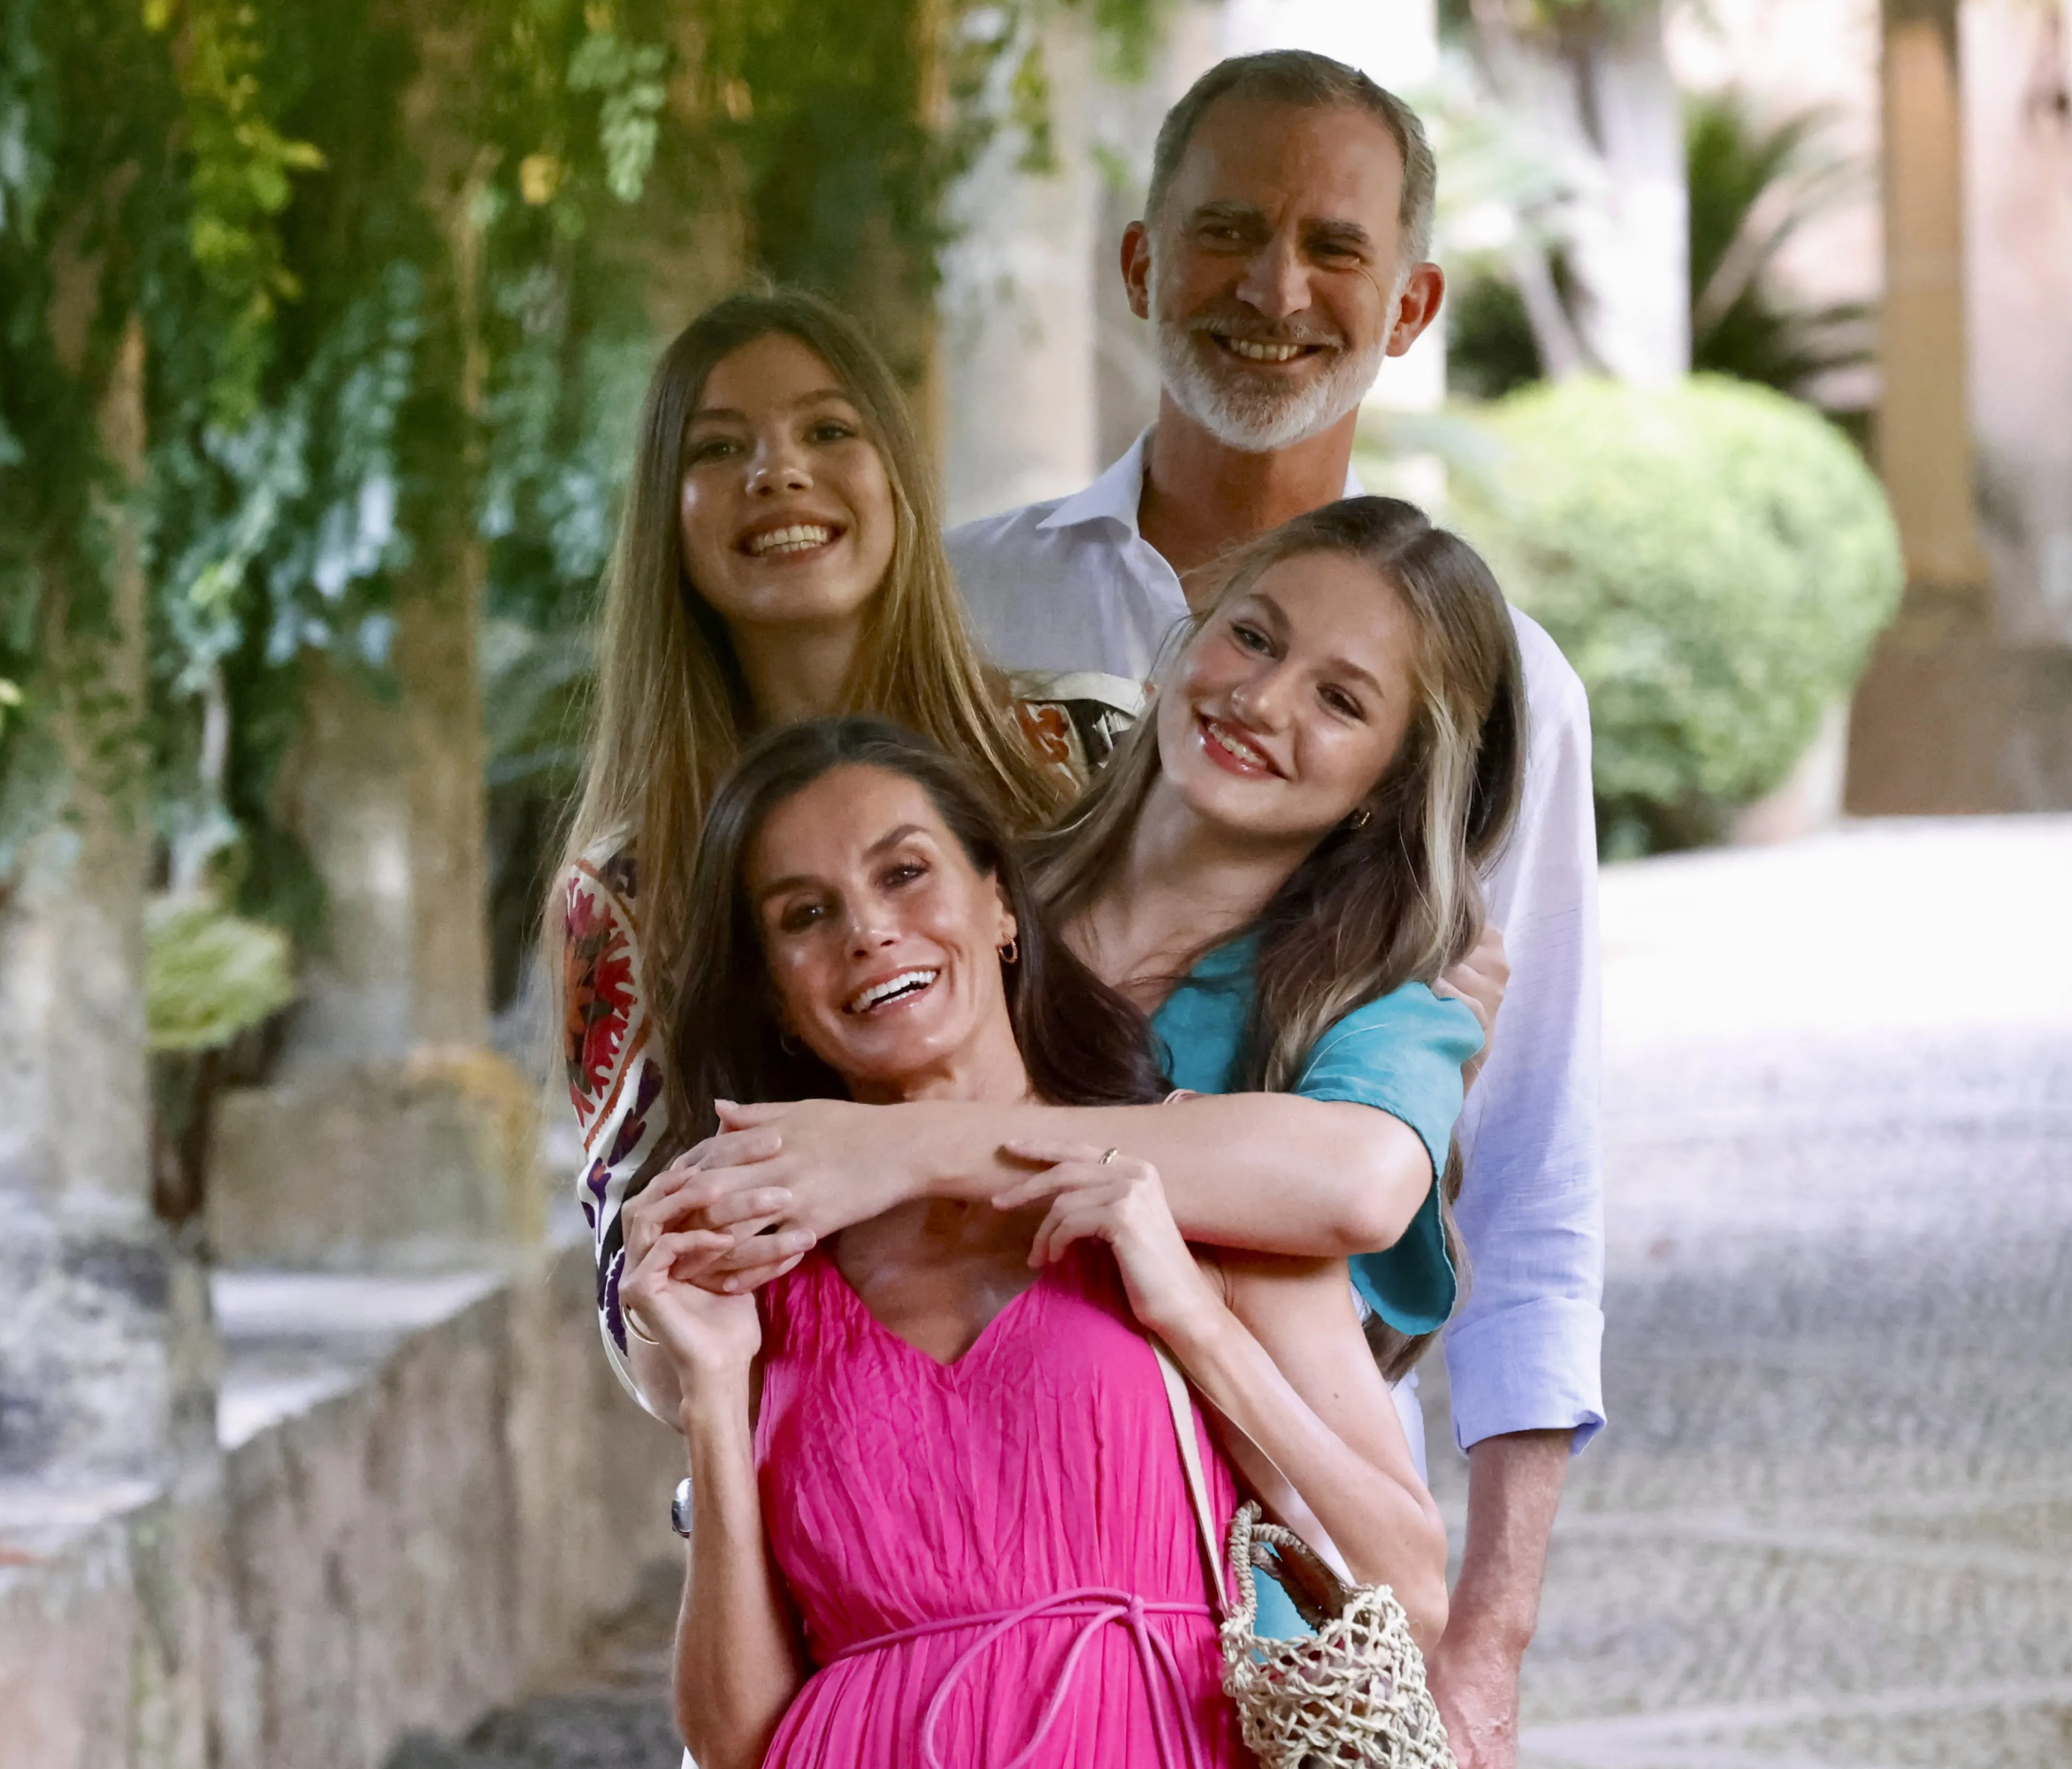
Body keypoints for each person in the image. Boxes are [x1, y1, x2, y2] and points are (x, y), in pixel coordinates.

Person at [943, 50, 1604, 1766]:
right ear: (1140, 263)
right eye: (1226, 231)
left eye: (1333, 244)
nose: (1275, 287)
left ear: (1411, 303)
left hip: (1260, 1542)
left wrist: (1485, 1645)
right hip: (925, 1493)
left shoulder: (1503, 689)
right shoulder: (957, 608)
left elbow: (1527, 1168)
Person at [619, 717, 1443, 1769]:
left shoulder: (1192, 1183)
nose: (868, 931)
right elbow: (734, 1740)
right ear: (776, 996)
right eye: (805, 914)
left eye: (905, 872)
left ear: (1001, 902)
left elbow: (1409, 1588)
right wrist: (712, 1392)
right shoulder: (760, 1274)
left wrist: (1192, 1321)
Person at [646, 498, 1522, 1482]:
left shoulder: (1387, 996)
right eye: (1251, 636)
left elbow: (1355, 1184)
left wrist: (903, 1149)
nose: (1264, 700)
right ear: (1186, 637)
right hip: (901, 1547)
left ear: (1392, 781)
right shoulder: (960, 898)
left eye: (1341, 701)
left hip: (1215, 1594)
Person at [554, 287, 1143, 1413]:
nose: (777, 471)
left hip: (1160, 1398)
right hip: (849, 1449)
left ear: (896, 476)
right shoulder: (626, 888)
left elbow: (1255, 1068)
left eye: (829, 430)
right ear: (665, 517)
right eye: (719, 447)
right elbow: (640, 1307)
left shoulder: (1095, 744)